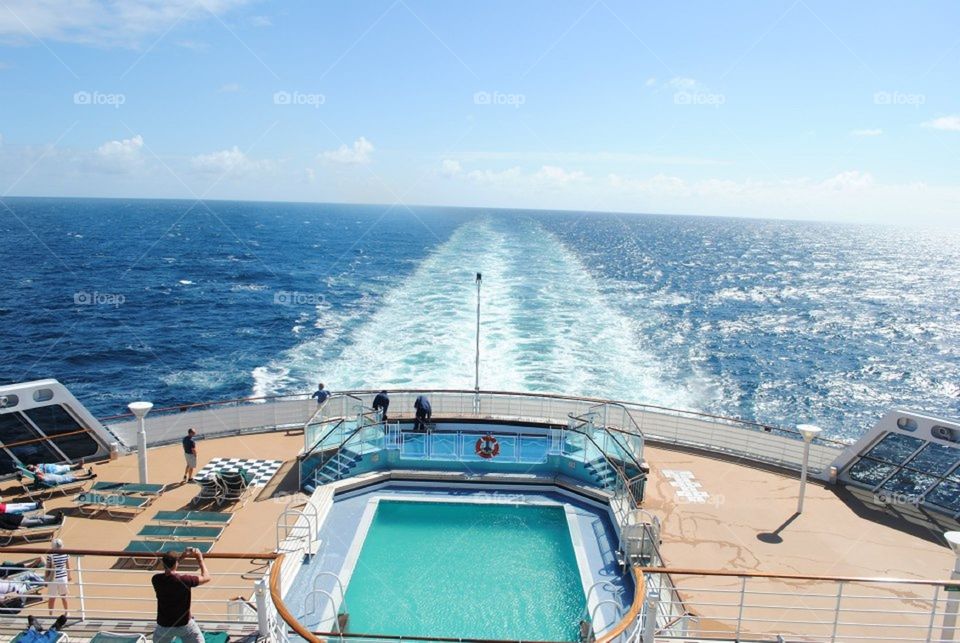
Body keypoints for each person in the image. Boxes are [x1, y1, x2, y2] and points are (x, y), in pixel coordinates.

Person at [151, 548, 211, 643]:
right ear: (176, 564)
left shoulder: (156, 579)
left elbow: (170, 568)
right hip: (184, 626)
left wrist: (181, 557)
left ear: (163, 564)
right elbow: (207, 577)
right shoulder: (185, 580)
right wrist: (199, 558)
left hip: (164, 626)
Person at [45, 539, 70, 615]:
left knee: (52, 598)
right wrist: (69, 576)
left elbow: (48, 568)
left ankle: (50, 614)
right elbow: (68, 566)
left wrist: (46, 579)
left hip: (53, 578)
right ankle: (67, 612)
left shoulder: (50, 555)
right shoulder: (65, 554)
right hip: (63, 578)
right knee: (64, 596)